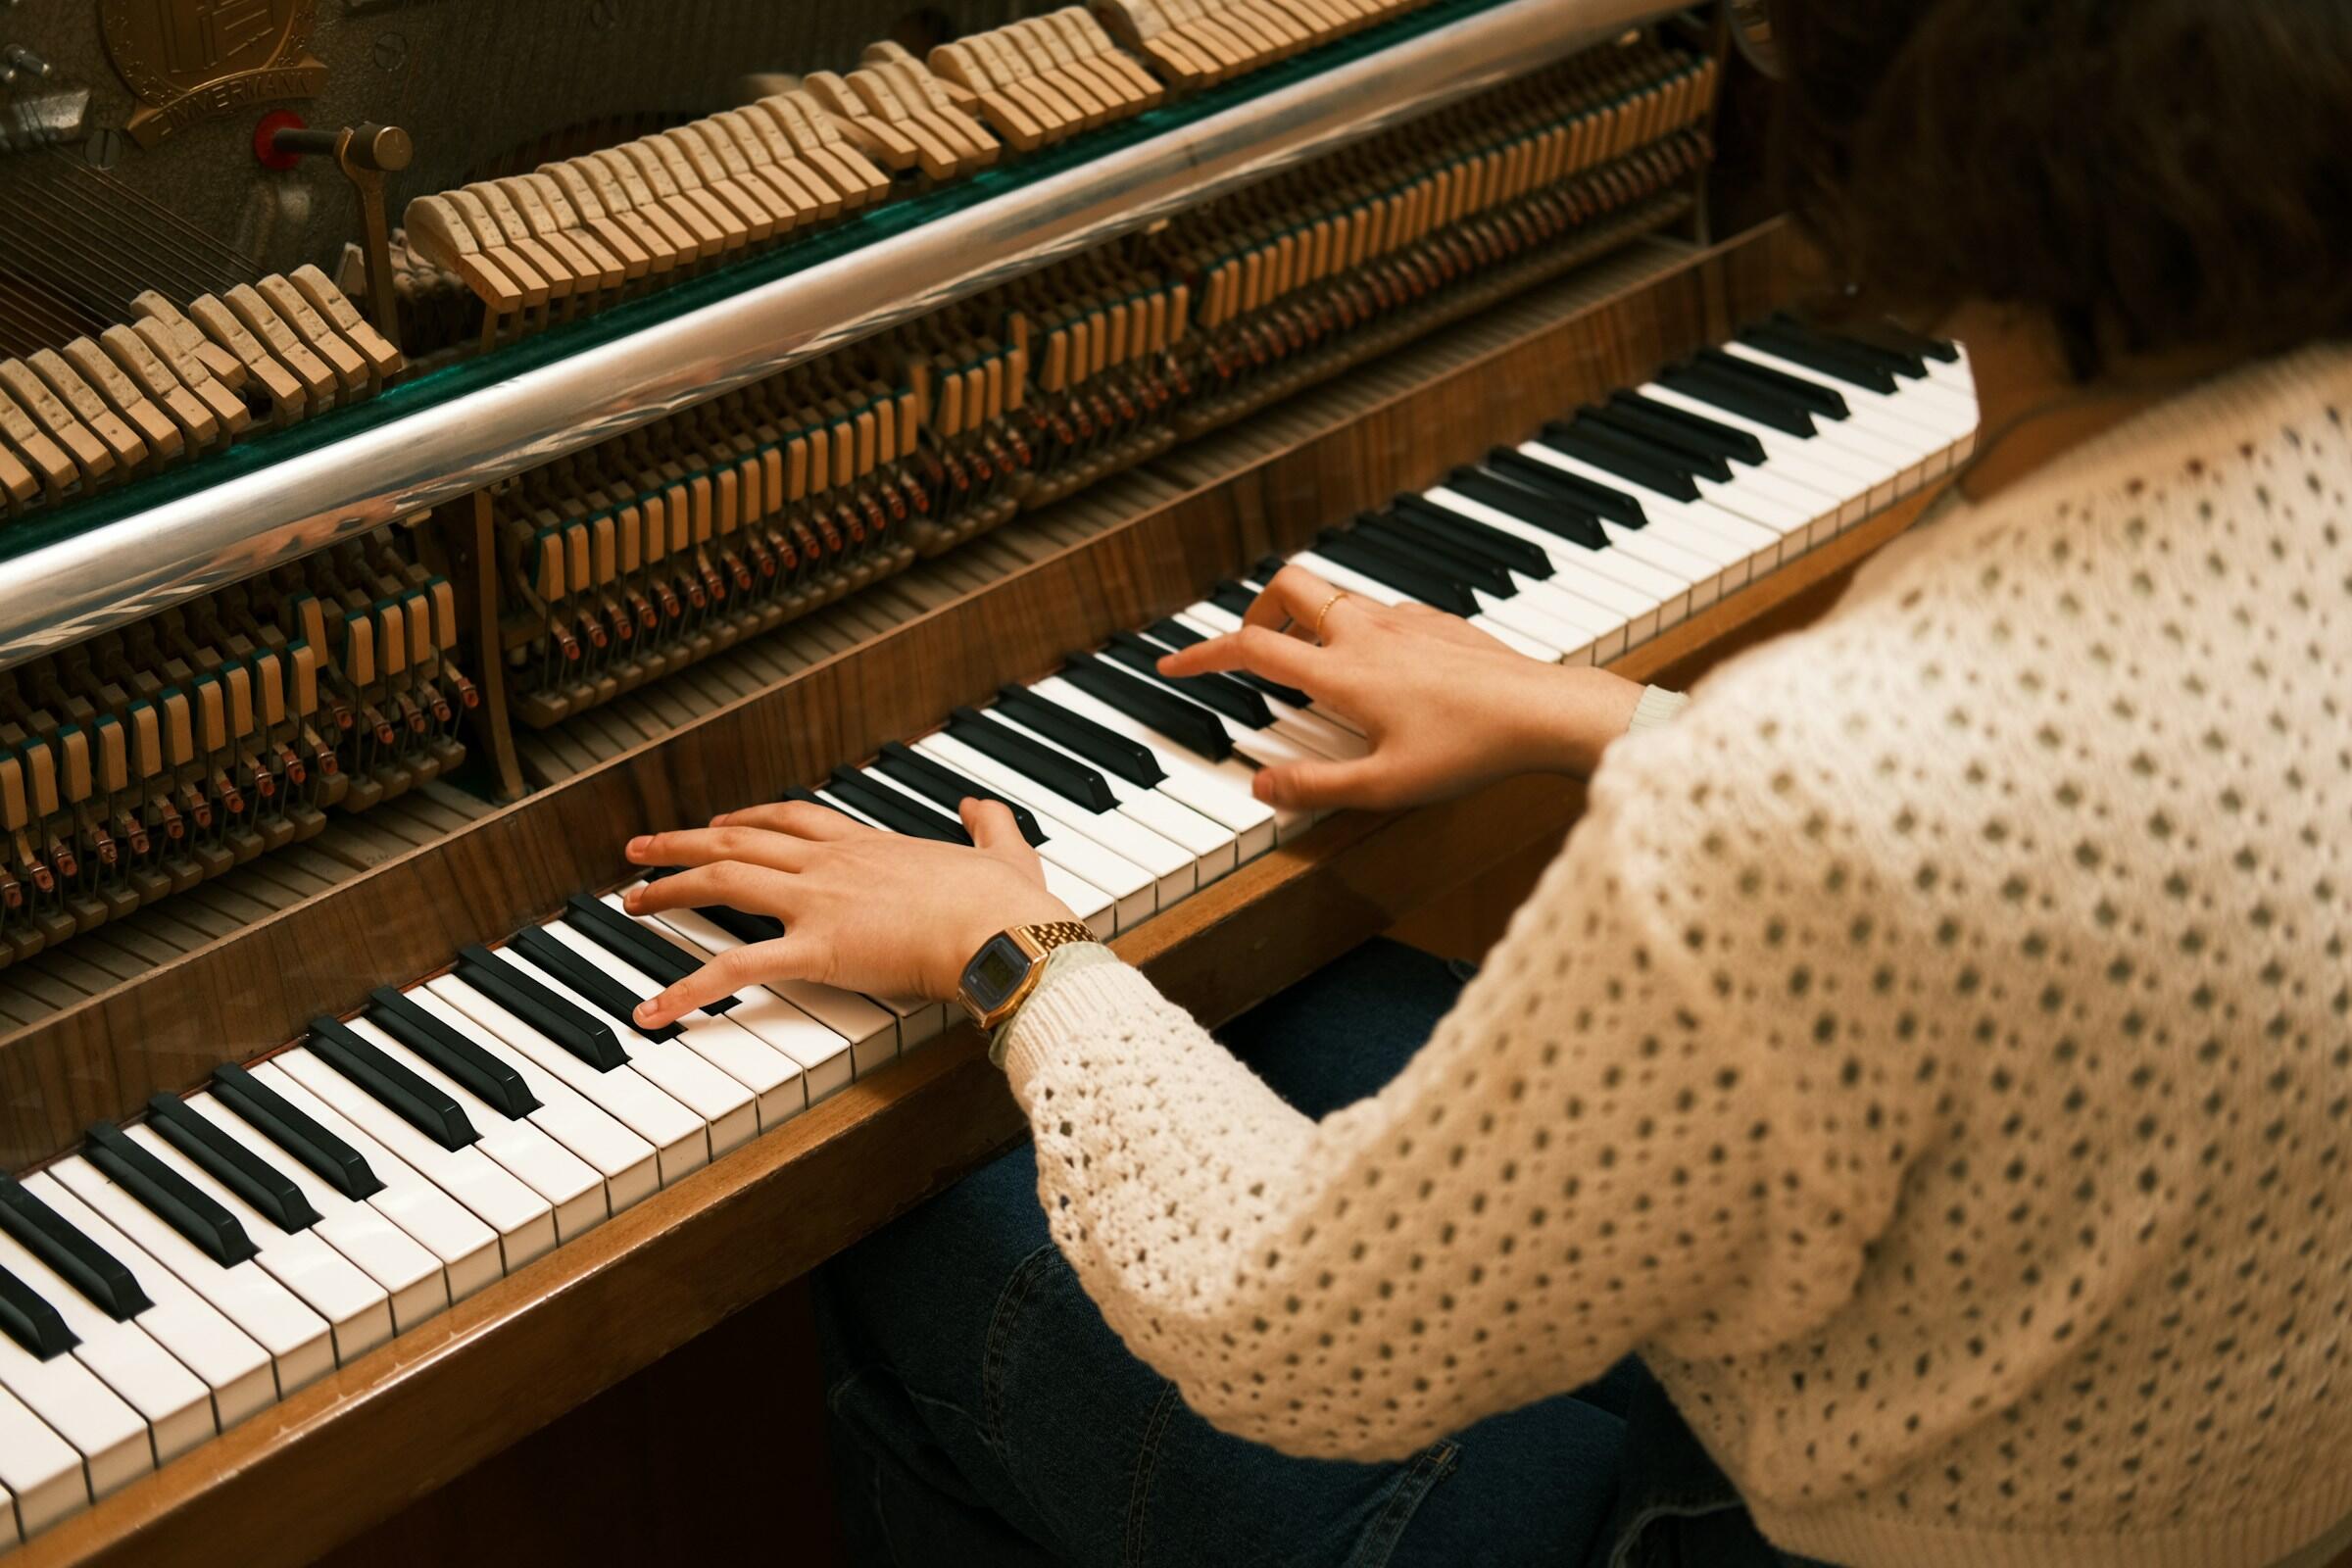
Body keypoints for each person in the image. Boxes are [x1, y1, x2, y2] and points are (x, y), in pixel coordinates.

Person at [616, 2, 2352, 1562]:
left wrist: (1011, 951)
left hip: (1760, 1528)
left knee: (903, 1194)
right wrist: (1590, 713)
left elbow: (1291, 1329)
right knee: (1263, 1017)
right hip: (2193, 1435)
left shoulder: (1828, 789)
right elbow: (2077, 829)